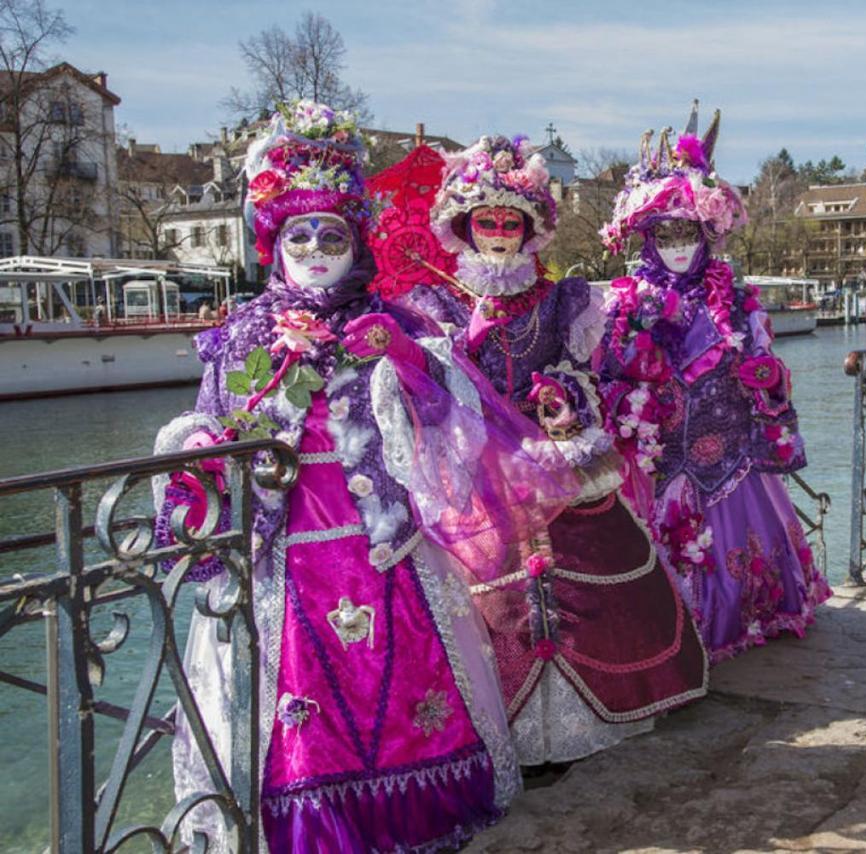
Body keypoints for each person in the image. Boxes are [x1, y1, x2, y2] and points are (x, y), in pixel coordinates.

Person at [150, 101, 561, 851]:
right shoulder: (242, 335)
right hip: (286, 561)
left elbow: (458, 427)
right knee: (301, 712)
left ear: (355, 242)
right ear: (272, 245)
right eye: (298, 234)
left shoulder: (398, 322)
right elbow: (207, 433)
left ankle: (412, 808)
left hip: (389, 552)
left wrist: (403, 361)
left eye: (330, 234)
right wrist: (214, 451)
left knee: (405, 695)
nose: (313, 248)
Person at [379, 134, 707, 766]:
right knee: (490, 600)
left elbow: (590, 370)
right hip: (481, 471)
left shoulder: (564, 299)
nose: (499, 234)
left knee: (592, 583)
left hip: (556, 460)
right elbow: (429, 390)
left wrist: (566, 397)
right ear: (464, 228)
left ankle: (595, 714)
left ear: (531, 230)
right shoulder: (441, 306)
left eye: (511, 222)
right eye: (487, 222)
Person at [597, 107, 832, 663]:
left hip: (730, 451)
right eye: (666, 234)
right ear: (647, 239)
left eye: (689, 233)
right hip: (665, 456)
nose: (679, 246)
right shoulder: (629, 302)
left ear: (708, 234)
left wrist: (766, 375)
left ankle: (748, 615)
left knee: (743, 546)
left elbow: (767, 371)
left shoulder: (735, 297)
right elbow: (611, 371)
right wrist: (642, 349)